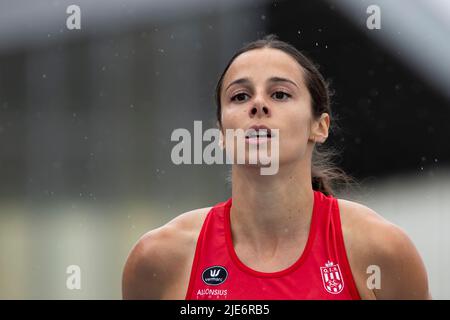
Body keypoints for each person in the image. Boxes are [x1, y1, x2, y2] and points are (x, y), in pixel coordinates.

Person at [122, 34, 430, 300]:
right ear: (221, 135)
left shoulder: (379, 249)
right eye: (240, 96)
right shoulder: (160, 258)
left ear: (319, 127)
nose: (258, 105)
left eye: (280, 93)